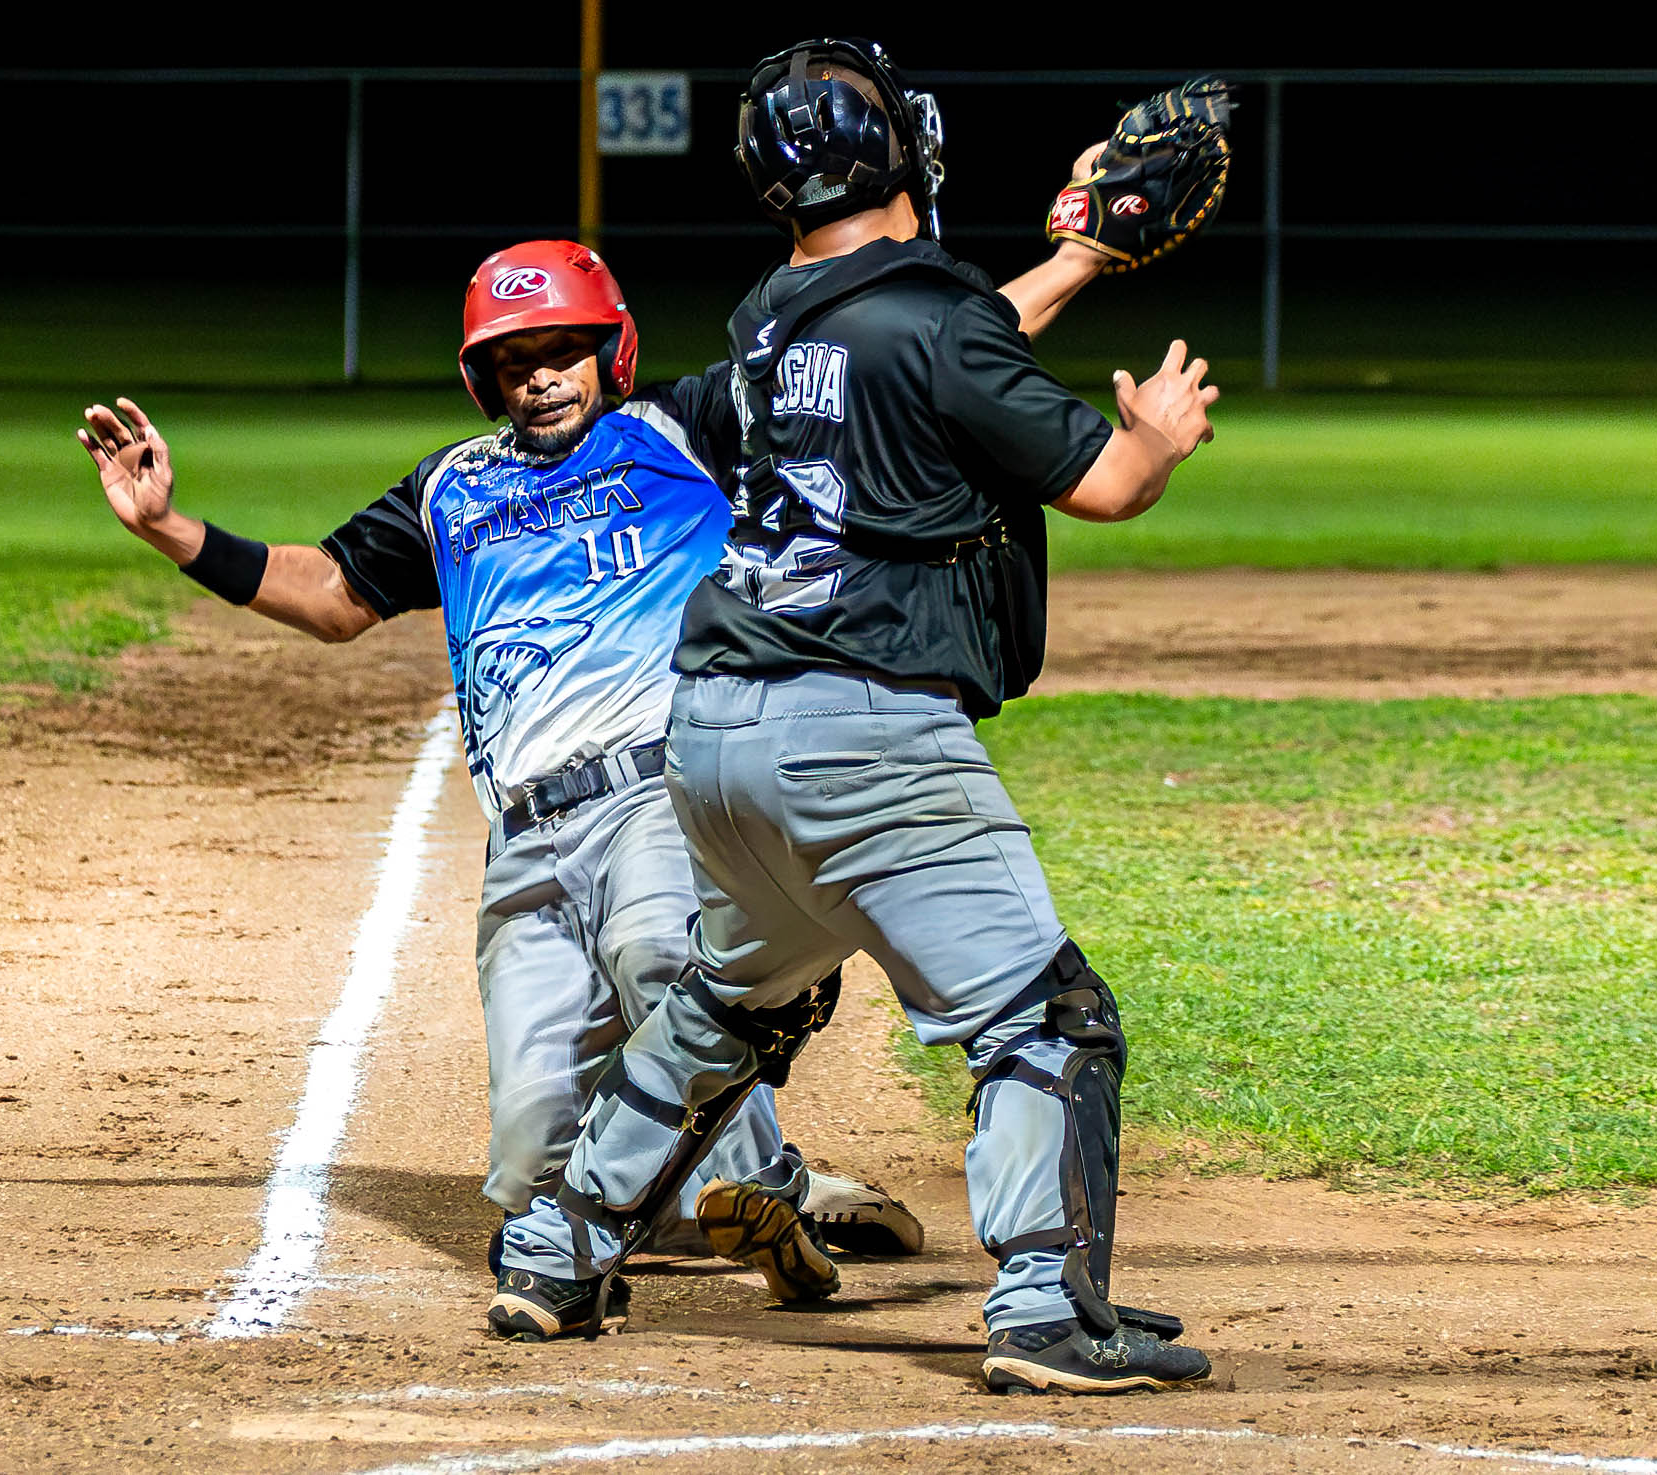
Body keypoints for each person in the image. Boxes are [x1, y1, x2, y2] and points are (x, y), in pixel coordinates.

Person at [495, 39, 1222, 1396]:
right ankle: (1047, 1309)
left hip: (714, 738)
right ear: (897, 150)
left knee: (731, 1008)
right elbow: (1102, 479)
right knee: (1049, 1021)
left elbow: (930, 357)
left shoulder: (777, 319)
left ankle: (556, 1246)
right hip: (864, 741)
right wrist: (1162, 436)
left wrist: (1075, 258)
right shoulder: (928, 321)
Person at [75, 241, 930, 1333]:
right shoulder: (452, 485)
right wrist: (171, 530)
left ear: (608, 350)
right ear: (484, 377)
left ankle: (758, 1183)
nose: (539, 374)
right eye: (513, 356)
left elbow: (867, 361)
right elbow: (335, 592)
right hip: (523, 843)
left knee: (663, 959)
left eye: (561, 348)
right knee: (535, 1162)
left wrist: (1069, 263)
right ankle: (760, 1197)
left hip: (655, 796)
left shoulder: (688, 430)